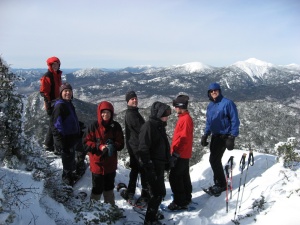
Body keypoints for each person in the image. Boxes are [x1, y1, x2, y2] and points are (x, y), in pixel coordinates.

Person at [201, 82, 240, 196]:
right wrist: (205, 134)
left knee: (214, 160)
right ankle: (219, 182)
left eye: (216, 90)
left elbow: (235, 120)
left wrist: (232, 137)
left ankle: (221, 184)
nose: (214, 92)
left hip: (224, 136)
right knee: (214, 160)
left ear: (219, 91)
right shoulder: (210, 106)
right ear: (209, 93)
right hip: (215, 136)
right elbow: (209, 121)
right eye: (211, 91)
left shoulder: (228, 103)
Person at [137, 101, 171, 225]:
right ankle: (149, 219)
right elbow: (143, 149)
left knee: (160, 192)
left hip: (159, 165)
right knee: (157, 193)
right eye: (164, 114)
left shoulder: (159, 126)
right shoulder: (149, 127)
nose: (167, 117)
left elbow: (164, 146)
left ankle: (153, 213)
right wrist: (149, 167)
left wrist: (167, 161)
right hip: (152, 167)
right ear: (157, 114)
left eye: (167, 114)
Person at [83, 101, 124, 205]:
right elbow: (86, 142)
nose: (105, 115)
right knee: (97, 187)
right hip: (97, 164)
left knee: (109, 187)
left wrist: (113, 146)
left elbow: (121, 143)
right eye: (103, 112)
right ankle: (93, 209)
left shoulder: (116, 126)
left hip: (110, 164)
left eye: (108, 112)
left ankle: (110, 207)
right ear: (99, 113)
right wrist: (99, 146)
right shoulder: (94, 126)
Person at [122, 91, 150, 204]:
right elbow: (141, 131)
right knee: (143, 171)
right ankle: (145, 195)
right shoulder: (131, 114)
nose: (135, 100)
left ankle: (130, 192)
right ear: (127, 101)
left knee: (135, 170)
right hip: (137, 148)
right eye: (132, 99)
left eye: (135, 98)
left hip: (134, 147)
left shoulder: (133, 113)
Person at [52, 83, 81, 186]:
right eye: (65, 91)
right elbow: (56, 126)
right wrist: (61, 143)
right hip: (66, 140)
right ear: (61, 93)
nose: (68, 93)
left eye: (69, 91)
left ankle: (70, 177)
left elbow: (70, 120)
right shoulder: (60, 105)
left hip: (71, 138)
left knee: (71, 158)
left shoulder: (68, 103)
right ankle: (66, 183)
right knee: (67, 161)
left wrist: (79, 125)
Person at [168, 95, 194, 210]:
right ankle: (186, 197)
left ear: (180, 106)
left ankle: (180, 202)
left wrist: (176, 153)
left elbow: (183, 139)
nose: (174, 108)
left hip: (181, 154)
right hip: (184, 153)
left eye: (175, 106)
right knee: (183, 176)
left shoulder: (185, 120)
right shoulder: (184, 118)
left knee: (174, 177)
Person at [40, 56, 62, 153]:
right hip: (52, 103)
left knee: (53, 123)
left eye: (57, 64)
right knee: (55, 124)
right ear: (50, 65)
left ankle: (48, 144)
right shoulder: (48, 76)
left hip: (58, 102)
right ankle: (51, 145)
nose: (55, 66)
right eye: (53, 64)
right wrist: (48, 104)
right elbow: (44, 91)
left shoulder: (57, 74)